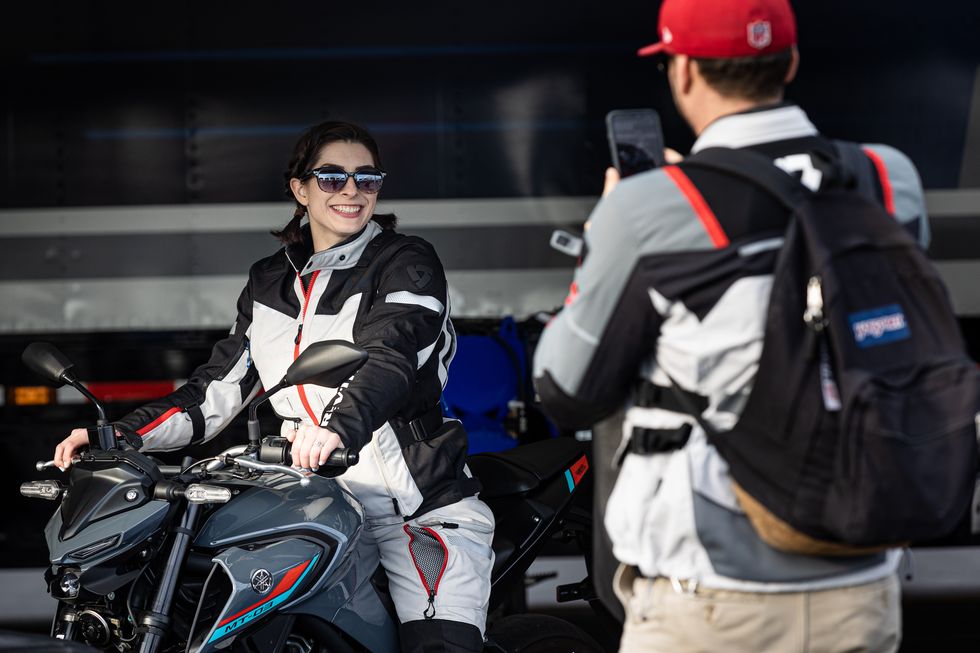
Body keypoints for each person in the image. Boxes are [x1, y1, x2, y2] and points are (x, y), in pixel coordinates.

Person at [533, 0, 928, 651]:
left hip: (710, 597)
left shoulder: (646, 207)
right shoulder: (889, 179)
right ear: (791, 62)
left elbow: (566, 388)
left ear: (682, 71)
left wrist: (605, 233)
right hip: (861, 583)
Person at [53, 120, 495, 653]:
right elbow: (215, 391)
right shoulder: (269, 279)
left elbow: (391, 356)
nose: (351, 190)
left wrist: (336, 429)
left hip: (415, 503)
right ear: (300, 188)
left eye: (367, 178)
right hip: (310, 496)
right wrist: (118, 439)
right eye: (332, 177)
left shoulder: (406, 262)